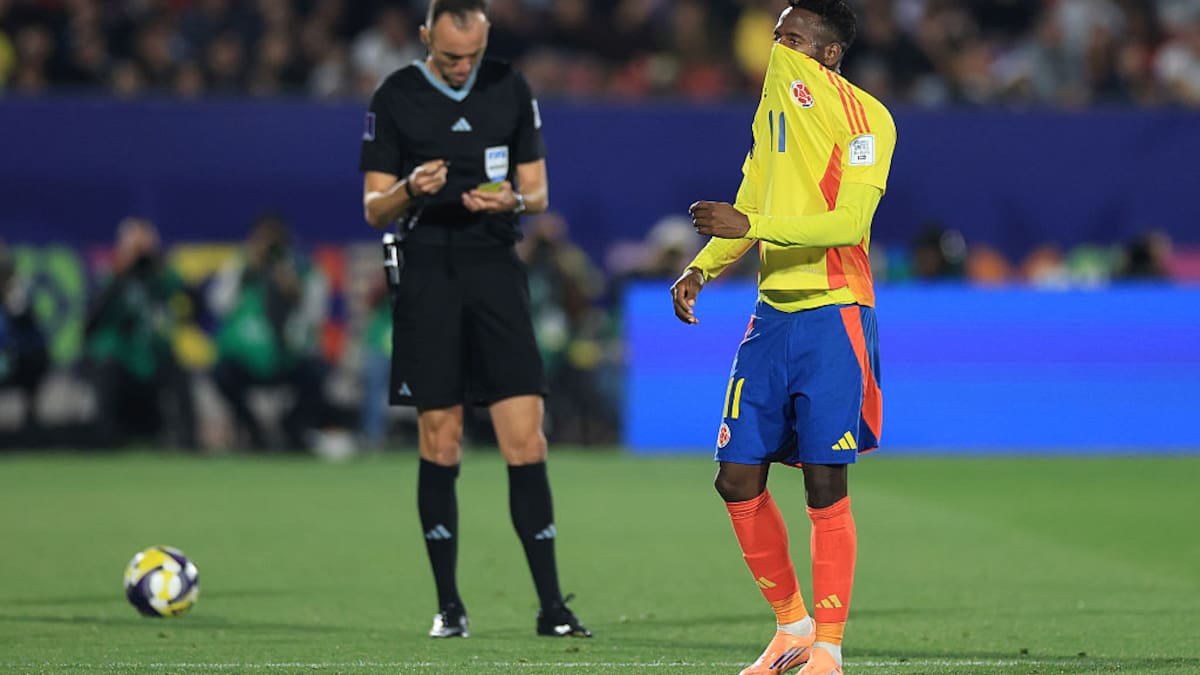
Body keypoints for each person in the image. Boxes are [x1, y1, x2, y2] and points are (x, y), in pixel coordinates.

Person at [670, 1, 897, 673]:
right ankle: (791, 625)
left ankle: (828, 647)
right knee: (736, 478)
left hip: (834, 312)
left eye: (793, 40)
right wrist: (702, 266)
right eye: (775, 36)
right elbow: (750, 189)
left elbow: (849, 223)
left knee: (826, 483)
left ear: (828, 55)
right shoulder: (773, 113)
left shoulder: (869, 120)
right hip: (772, 316)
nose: (777, 49)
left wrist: (752, 224)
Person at [358, 0, 590, 640]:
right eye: (451, 56)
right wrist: (410, 188)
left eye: (473, 56)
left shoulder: (509, 86)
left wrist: (511, 197)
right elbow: (374, 208)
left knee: (527, 438)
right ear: (428, 36)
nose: (462, 68)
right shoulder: (397, 94)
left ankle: (552, 608)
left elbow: (539, 191)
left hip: (494, 268)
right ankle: (449, 607)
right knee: (442, 439)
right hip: (428, 270)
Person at [207, 213, 332, 452]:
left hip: (287, 357)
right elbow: (218, 304)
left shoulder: (302, 270)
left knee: (317, 374)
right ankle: (253, 429)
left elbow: (316, 317)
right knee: (221, 374)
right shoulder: (240, 266)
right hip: (247, 359)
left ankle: (292, 428)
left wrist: (296, 292)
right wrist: (245, 272)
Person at [83, 218, 196, 449]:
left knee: (180, 374)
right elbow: (91, 323)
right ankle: (104, 441)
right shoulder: (111, 278)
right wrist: (120, 273)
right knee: (106, 370)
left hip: (155, 355)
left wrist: (160, 266)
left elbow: (195, 305)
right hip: (121, 356)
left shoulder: (163, 277)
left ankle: (188, 443)